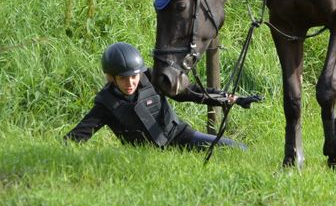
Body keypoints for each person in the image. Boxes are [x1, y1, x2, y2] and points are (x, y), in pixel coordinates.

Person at [65, 42, 260, 150]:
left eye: (133, 76)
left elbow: (191, 93)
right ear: (111, 78)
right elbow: (76, 137)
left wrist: (232, 98)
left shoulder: (153, 79)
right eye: (123, 78)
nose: (130, 83)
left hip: (181, 136)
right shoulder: (106, 104)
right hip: (145, 153)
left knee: (237, 149)